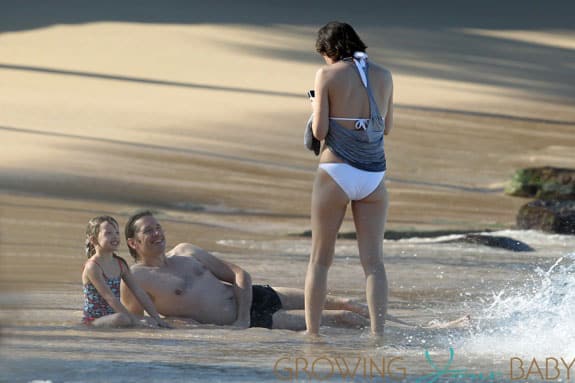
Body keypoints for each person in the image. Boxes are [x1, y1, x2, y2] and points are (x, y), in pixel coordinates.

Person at [121, 211, 376, 330]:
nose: (157, 233)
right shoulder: (137, 278)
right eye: (148, 231)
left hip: (252, 300)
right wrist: (171, 322)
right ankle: (388, 339)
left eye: (158, 227)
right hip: (254, 321)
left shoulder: (187, 251)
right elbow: (138, 322)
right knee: (341, 318)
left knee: (345, 303)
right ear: (133, 243)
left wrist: (242, 316)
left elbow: (239, 275)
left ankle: (400, 331)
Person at [305, 22, 393, 337]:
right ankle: (377, 334)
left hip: (337, 171)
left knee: (320, 260)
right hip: (373, 177)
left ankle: (312, 334)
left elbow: (320, 131)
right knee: (374, 264)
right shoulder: (384, 75)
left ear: (330, 50)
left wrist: (315, 105)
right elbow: (387, 126)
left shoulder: (326, 75)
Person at [82, 215, 170, 328]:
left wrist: (157, 318)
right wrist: (133, 320)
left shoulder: (120, 264)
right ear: (93, 239)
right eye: (108, 233)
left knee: (151, 322)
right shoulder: (92, 267)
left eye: (117, 233)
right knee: (122, 318)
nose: (115, 237)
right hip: (93, 320)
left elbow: (139, 292)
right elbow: (110, 297)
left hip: (115, 316)